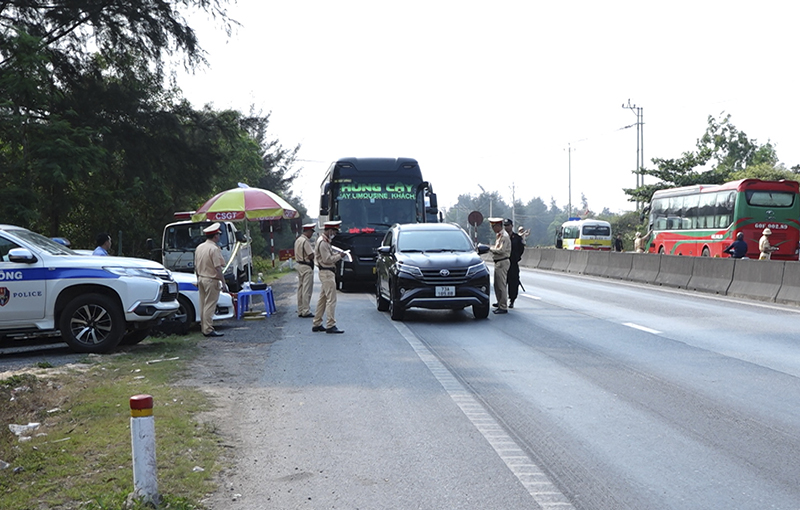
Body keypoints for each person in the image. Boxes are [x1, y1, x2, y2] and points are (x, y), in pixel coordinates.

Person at [312, 221, 348, 334]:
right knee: (331, 299)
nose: (334, 234)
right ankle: (330, 324)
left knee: (323, 299)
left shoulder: (325, 241)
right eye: (334, 231)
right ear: (329, 230)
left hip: (326, 272)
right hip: (327, 272)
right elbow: (327, 259)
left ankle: (317, 323)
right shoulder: (323, 242)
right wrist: (340, 256)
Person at [194, 223, 228, 337]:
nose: (219, 237)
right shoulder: (213, 249)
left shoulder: (199, 247)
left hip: (201, 278)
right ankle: (208, 329)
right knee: (210, 305)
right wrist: (223, 283)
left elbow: (196, 266)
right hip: (211, 280)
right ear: (215, 236)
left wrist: (197, 279)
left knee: (203, 304)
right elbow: (218, 267)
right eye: (218, 235)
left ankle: (204, 328)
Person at [488, 217, 511, 314]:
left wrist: (490, 249)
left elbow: (501, 250)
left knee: (501, 285)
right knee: (496, 285)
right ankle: (500, 302)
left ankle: (503, 306)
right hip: (498, 262)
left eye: (494, 227)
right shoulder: (499, 235)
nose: (493, 229)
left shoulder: (504, 236)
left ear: (498, 226)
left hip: (502, 261)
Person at [294, 223, 316, 318]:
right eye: (311, 232)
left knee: (301, 288)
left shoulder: (298, 240)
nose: (311, 234)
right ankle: (306, 310)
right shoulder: (305, 241)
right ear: (307, 231)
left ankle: (300, 309)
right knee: (307, 289)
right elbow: (310, 254)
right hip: (306, 266)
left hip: (299, 265)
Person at [504, 219, 524, 309]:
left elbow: (521, 249)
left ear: (512, 226)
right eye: (505, 225)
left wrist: (516, 257)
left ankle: (512, 300)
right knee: (502, 283)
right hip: (503, 262)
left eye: (508, 225)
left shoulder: (517, 238)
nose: (506, 227)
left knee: (513, 282)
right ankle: (501, 301)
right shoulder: (502, 237)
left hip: (513, 263)